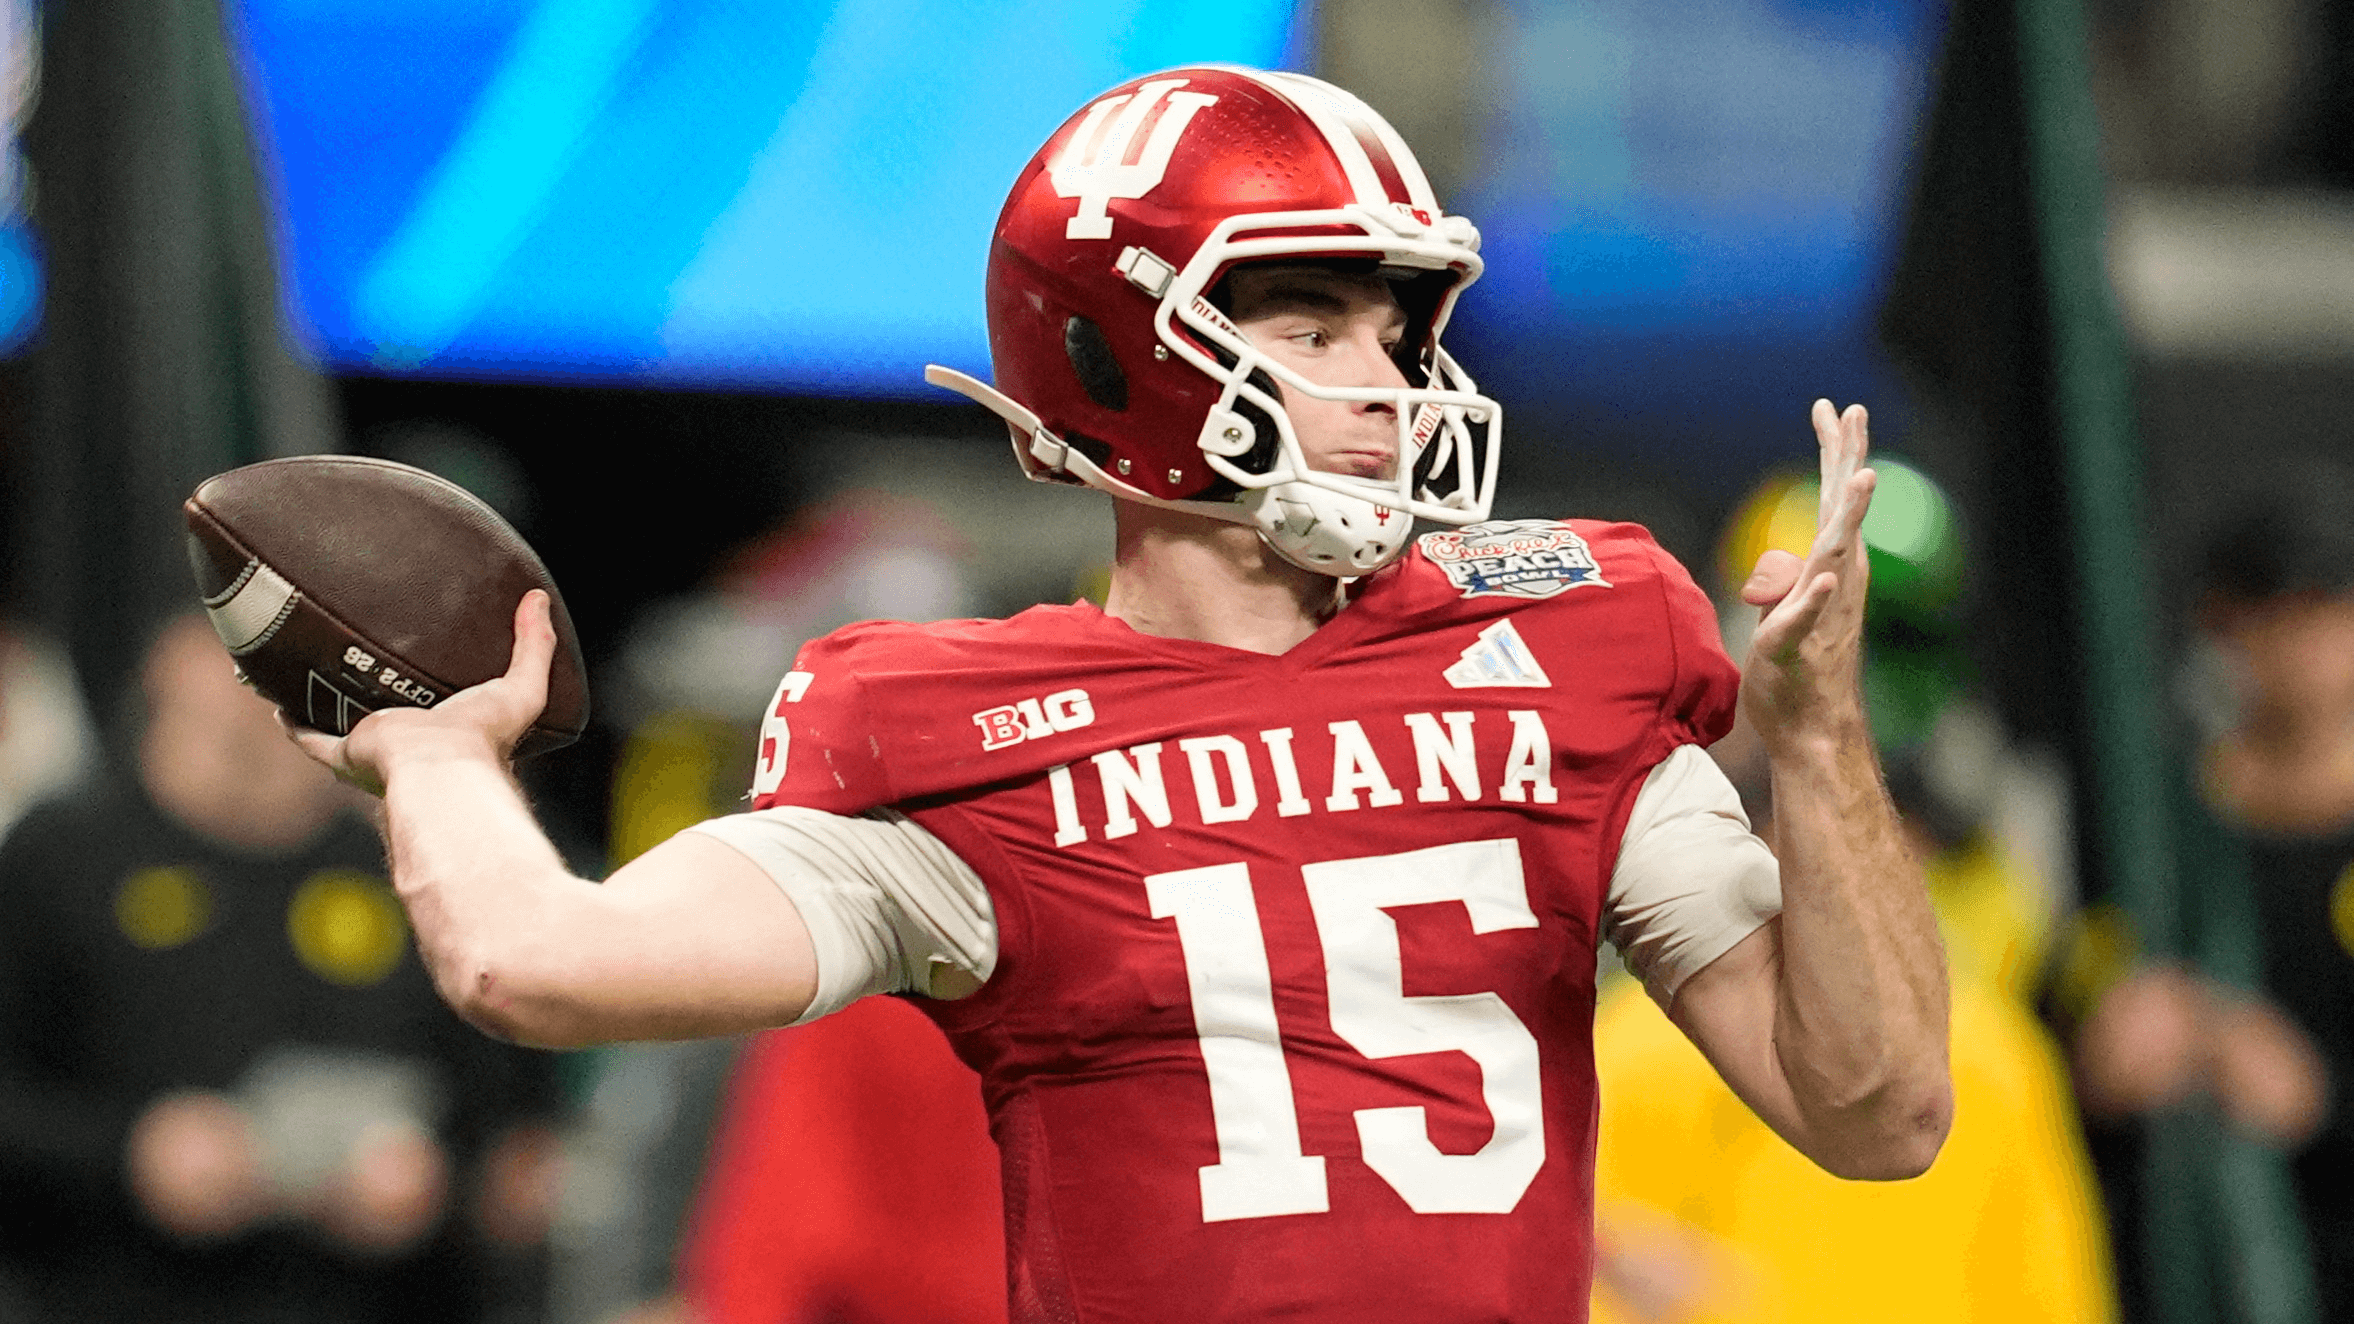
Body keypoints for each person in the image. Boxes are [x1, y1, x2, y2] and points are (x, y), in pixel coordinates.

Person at [285, 67, 1951, 1323]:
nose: (1383, 386)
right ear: (1113, 356)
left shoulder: (1568, 644)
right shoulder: (946, 731)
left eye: (1395, 329)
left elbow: (1876, 1113)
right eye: (1314, 322)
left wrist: (1811, 741)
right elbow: (536, 959)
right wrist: (432, 753)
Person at [0, 615, 565, 1323]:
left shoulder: (404, 870)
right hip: (111, 1292)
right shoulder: (57, 857)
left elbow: (510, 1140)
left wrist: (434, 1187)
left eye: (298, 649)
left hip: (354, 1297)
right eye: (234, 645)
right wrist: (130, 1156)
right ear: (166, 657)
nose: (261, 675)